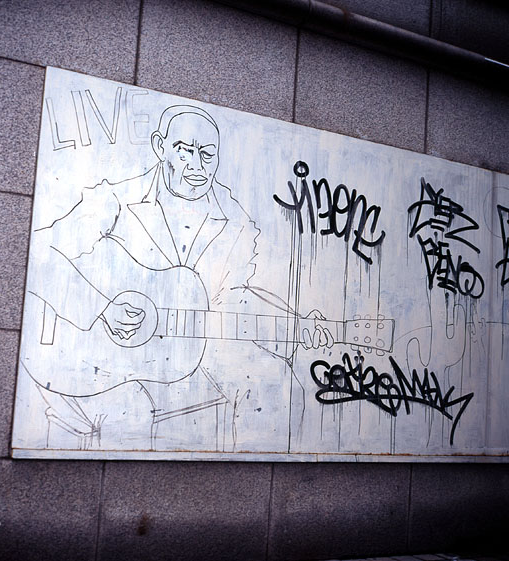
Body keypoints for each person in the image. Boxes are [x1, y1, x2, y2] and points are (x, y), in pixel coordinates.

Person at [23, 105, 331, 452]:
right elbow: (43, 252)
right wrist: (100, 306)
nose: (197, 166)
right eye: (185, 151)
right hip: (101, 354)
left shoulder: (234, 221)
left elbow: (235, 295)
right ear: (160, 146)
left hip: (193, 344)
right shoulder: (116, 201)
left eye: (208, 155)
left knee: (280, 386)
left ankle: (246, 482)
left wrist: (296, 324)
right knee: (129, 411)